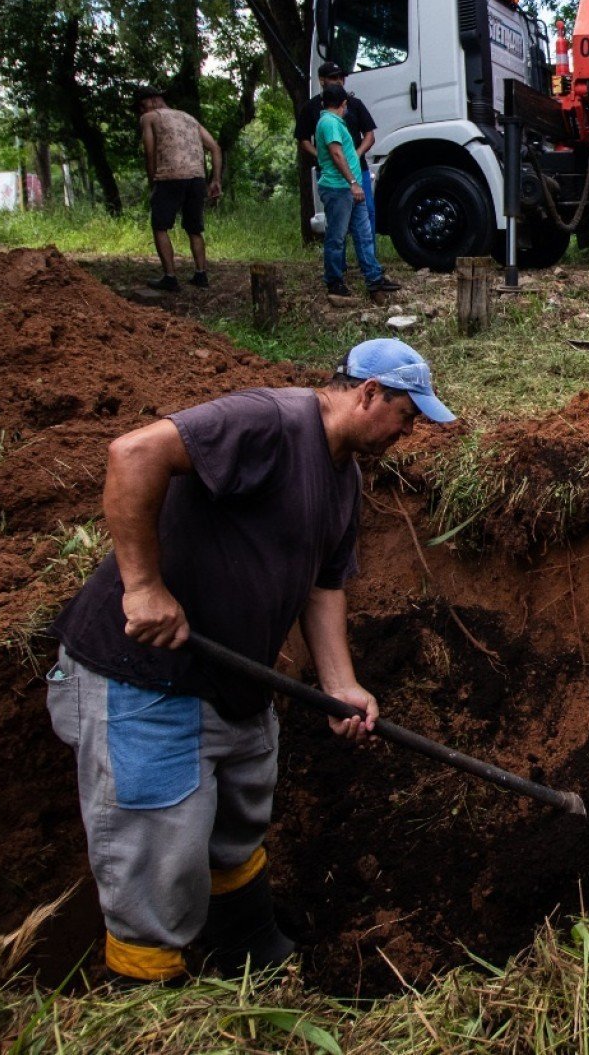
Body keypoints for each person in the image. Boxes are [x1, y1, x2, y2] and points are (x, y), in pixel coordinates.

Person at [45, 338, 455, 984]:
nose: (408, 432)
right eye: (407, 415)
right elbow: (133, 454)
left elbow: (323, 585)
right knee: (160, 849)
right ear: (369, 393)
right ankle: (145, 990)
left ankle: (246, 945)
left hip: (233, 682)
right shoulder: (272, 423)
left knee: (239, 813)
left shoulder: (345, 480)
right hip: (146, 675)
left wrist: (341, 684)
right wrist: (144, 586)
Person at [136, 89, 223, 292]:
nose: (141, 110)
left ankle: (170, 276)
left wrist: (152, 180)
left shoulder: (148, 118)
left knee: (160, 226)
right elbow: (215, 147)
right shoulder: (189, 118)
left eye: (142, 105)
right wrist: (216, 179)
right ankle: (201, 274)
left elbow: (150, 151)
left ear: (152, 101)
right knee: (194, 228)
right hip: (196, 177)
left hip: (169, 176)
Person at [314, 88, 396, 300]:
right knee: (337, 237)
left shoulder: (334, 121)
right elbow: (336, 153)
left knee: (364, 234)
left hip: (353, 188)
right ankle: (333, 281)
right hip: (339, 188)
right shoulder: (330, 123)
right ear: (343, 103)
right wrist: (352, 181)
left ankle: (374, 277)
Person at [295, 61, 381, 240]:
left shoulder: (354, 104)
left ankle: (370, 264)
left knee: (367, 215)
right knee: (336, 220)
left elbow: (370, 135)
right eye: (333, 78)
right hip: (330, 174)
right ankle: (338, 266)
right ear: (322, 80)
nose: (339, 81)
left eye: (341, 77)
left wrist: (356, 155)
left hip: (359, 169)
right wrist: (321, 156)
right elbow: (303, 140)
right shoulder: (312, 108)